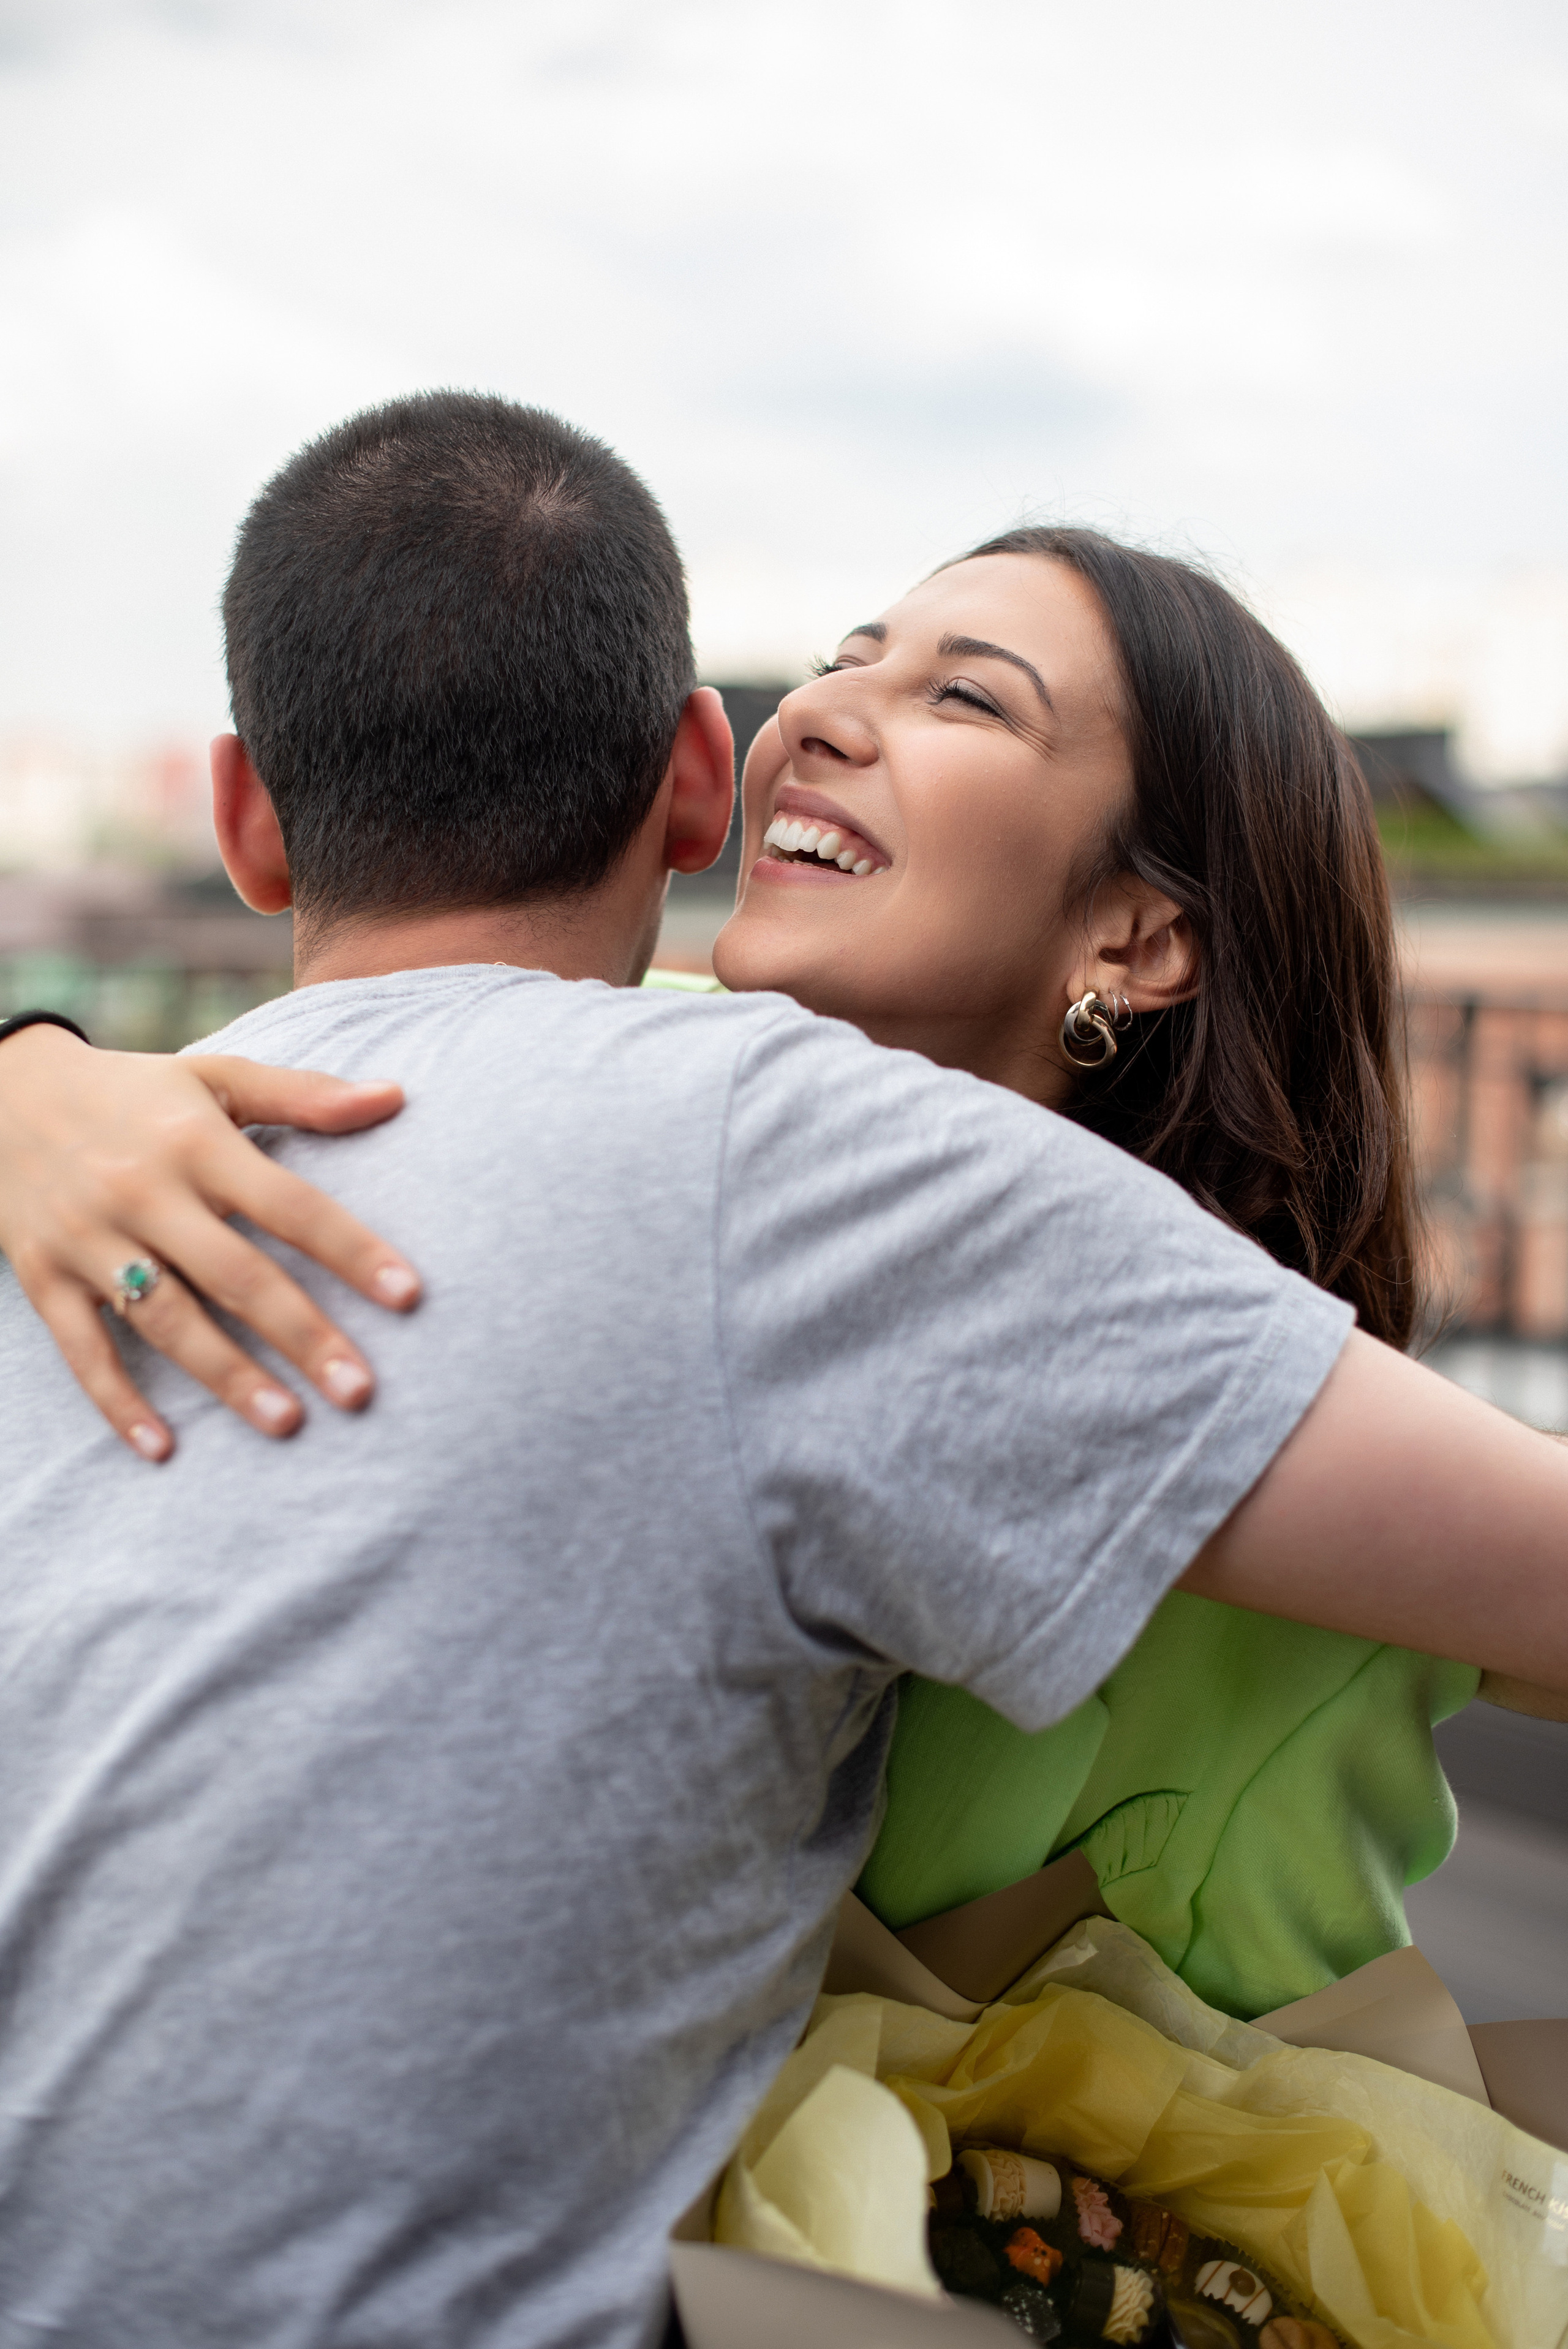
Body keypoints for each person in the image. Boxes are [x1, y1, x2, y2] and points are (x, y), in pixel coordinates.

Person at [0, 395, 1564, 2349]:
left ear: (1140, 931)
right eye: (843, 657)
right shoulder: (660, 1104)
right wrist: (38, 1074)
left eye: (965, 698)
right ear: (692, 777)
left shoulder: (1011, 1275)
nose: (826, 711)